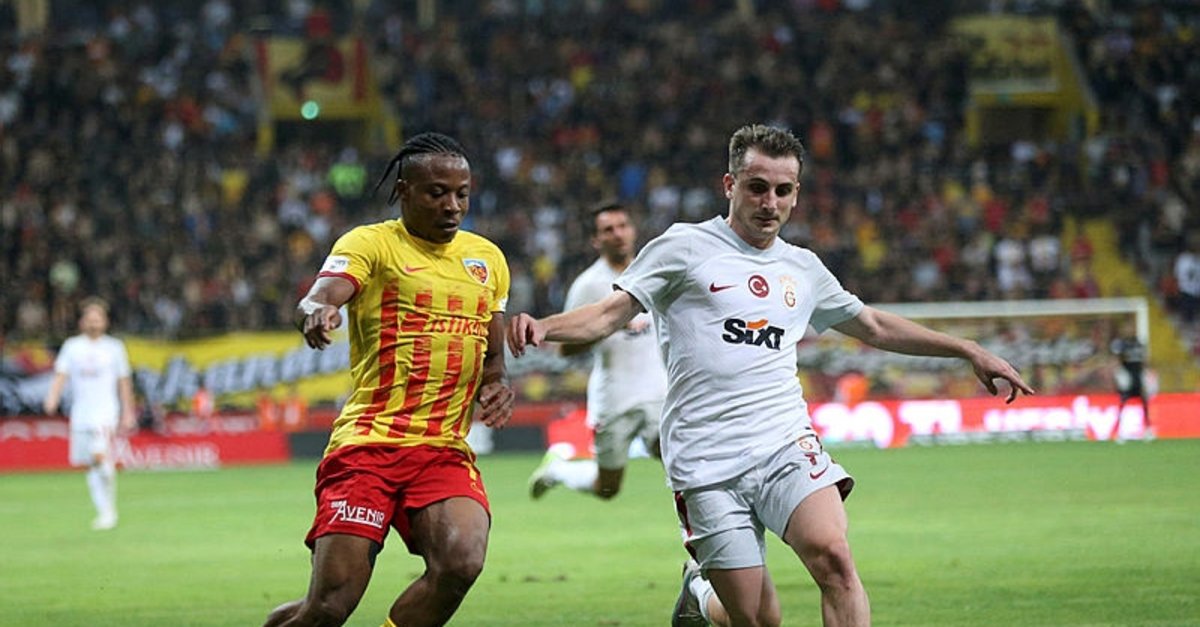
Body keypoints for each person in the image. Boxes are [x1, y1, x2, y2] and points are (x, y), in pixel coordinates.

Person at [508, 124, 1034, 627]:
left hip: (783, 443)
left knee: (835, 558)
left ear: (796, 194)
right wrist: (543, 327)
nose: (770, 202)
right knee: (758, 618)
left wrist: (965, 349)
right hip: (706, 459)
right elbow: (607, 315)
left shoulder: (802, 268)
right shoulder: (683, 247)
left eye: (783, 191)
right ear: (730, 185)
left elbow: (873, 325)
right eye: (757, 187)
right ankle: (699, 592)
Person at [264, 132, 515, 627]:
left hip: (442, 448)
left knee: (461, 562)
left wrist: (497, 384)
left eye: (462, 193)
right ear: (404, 191)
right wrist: (316, 312)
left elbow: (493, 357)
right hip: (368, 446)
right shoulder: (371, 243)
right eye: (437, 192)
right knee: (328, 607)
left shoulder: (487, 259)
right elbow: (320, 295)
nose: (452, 205)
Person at [527, 201, 669, 500]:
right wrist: (607, 326)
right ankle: (559, 470)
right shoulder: (588, 285)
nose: (618, 234)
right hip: (614, 396)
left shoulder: (655, 272)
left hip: (659, 391)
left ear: (633, 230)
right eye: (608, 229)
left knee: (677, 458)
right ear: (596, 239)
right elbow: (563, 350)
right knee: (607, 488)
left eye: (623, 226)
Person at [43, 297, 137, 531]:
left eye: (98, 319)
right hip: (81, 413)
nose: (94, 323)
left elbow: (124, 381)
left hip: (106, 412)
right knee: (91, 464)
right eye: (90, 319)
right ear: (82, 322)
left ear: (105, 322)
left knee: (99, 455)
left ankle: (109, 511)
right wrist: (52, 396)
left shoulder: (114, 347)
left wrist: (128, 411)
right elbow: (61, 374)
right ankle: (104, 511)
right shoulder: (72, 346)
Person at [1110, 327, 1151, 438]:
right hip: (1127, 376)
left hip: (1138, 376)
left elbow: (1144, 361)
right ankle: (1118, 430)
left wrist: (1146, 374)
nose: (1130, 330)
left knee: (1144, 402)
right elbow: (1117, 359)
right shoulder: (1122, 344)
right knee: (1123, 402)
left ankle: (1148, 429)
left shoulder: (1139, 344)